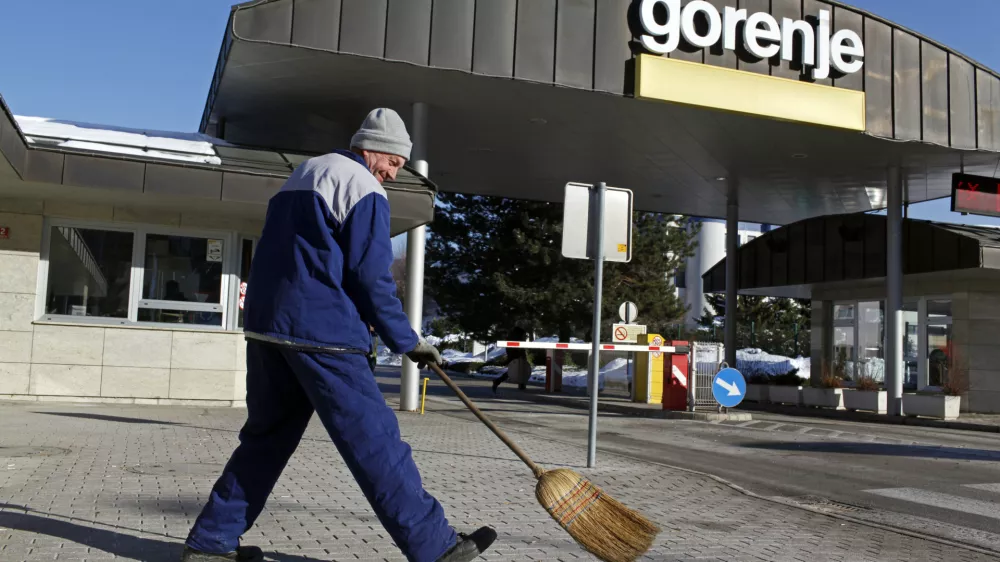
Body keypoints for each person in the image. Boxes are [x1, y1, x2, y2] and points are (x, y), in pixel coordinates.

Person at [180, 108, 496, 562]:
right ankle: (436, 547)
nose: (393, 173)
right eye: (394, 162)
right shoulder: (362, 187)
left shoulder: (304, 173)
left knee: (265, 441)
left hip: (270, 330)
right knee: (375, 442)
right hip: (324, 336)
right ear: (372, 149)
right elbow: (371, 278)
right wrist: (408, 341)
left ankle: (211, 544)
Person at [492, 327, 530, 394]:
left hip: (513, 349)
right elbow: (520, 340)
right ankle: (521, 384)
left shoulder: (514, 331)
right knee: (519, 367)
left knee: (516, 368)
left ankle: (498, 381)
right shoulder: (519, 330)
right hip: (516, 350)